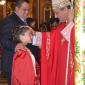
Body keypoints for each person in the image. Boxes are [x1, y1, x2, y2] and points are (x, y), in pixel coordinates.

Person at [0, 0, 39, 84]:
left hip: (23, 62)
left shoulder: (24, 20)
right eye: (24, 9)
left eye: (28, 9)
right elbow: (3, 38)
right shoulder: (9, 20)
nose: (27, 12)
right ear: (17, 8)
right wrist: (14, 46)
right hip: (13, 62)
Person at [46, 0, 75, 85]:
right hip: (62, 68)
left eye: (57, 13)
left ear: (66, 9)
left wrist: (70, 23)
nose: (56, 16)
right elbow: (49, 39)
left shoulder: (80, 24)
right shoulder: (62, 26)